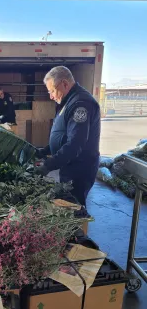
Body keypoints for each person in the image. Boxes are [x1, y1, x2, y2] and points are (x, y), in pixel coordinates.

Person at [35, 66, 101, 207]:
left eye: (52, 91)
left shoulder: (80, 104)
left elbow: (75, 143)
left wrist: (48, 165)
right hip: (70, 166)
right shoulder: (69, 100)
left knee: (73, 209)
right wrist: (46, 150)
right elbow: (65, 135)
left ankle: (78, 228)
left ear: (64, 84)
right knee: (67, 205)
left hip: (79, 170)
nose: (51, 96)